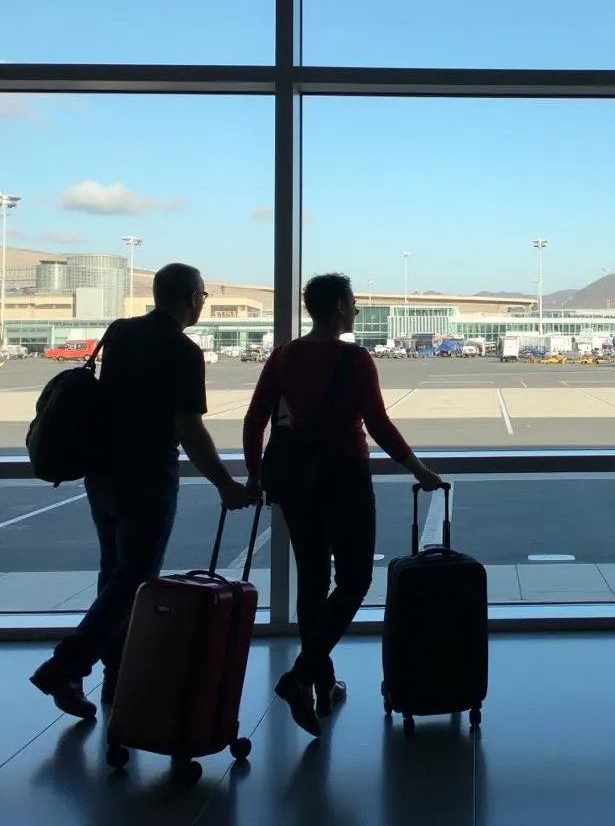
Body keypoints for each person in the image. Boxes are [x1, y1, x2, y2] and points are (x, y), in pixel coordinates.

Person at [30, 263, 252, 718]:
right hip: (148, 477)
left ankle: (116, 676)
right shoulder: (183, 350)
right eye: (204, 296)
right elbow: (189, 429)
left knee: (113, 573)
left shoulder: (120, 332)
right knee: (134, 579)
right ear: (192, 297)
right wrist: (225, 483)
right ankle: (66, 664)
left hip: (102, 474)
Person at [242, 273, 444, 738]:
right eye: (352, 303)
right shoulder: (354, 359)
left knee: (312, 580)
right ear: (336, 308)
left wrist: (255, 474)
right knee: (354, 579)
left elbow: (255, 420)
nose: (357, 310)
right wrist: (419, 470)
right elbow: (377, 423)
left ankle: (322, 685)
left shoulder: (284, 355)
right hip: (344, 478)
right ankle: (301, 675)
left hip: (293, 481)